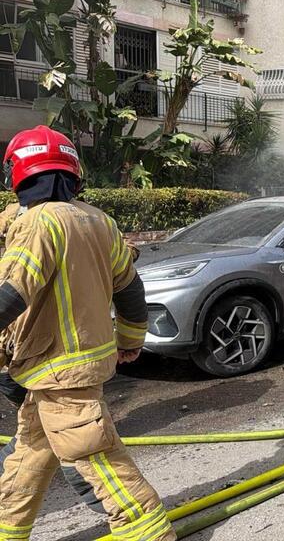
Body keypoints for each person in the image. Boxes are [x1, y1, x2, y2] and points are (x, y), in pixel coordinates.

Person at [0, 126, 174, 540]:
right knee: (29, 454)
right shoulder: (98, 220)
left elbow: (11, 293)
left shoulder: (40, 223)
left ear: (18, 174)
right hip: (67, 366)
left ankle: (147, 532)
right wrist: (130, 341)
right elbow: (131, 289)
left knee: (94, 459)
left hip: (57, 368)